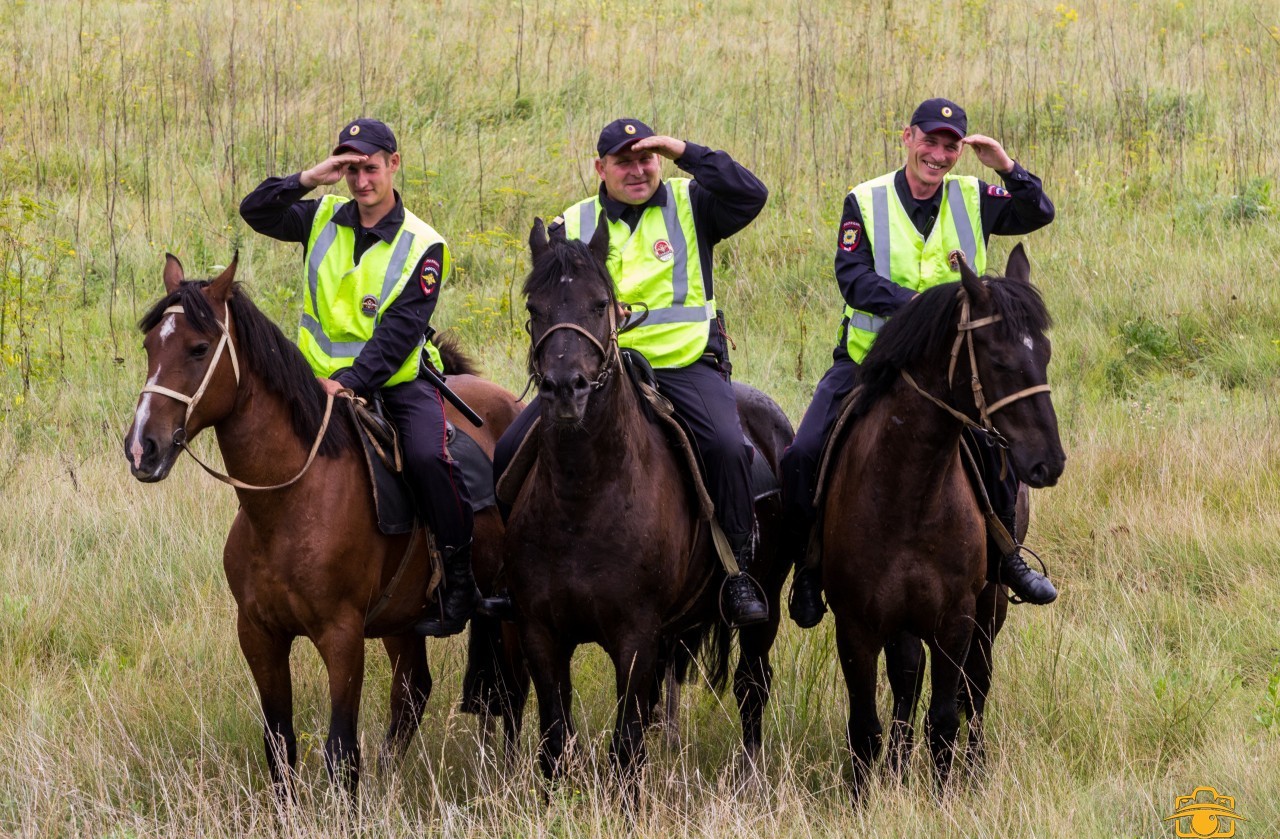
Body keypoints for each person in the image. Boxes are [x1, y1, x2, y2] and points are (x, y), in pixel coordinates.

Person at [781, 98, 1058, 629]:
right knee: (803, 454)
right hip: (871, 362)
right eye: (929, 141)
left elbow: (1038, 212)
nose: (939, 154)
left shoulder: (977, 196)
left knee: (993, 454)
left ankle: (1005, 558)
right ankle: (810, 566)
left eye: (950, 146)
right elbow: (852, 276)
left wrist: (1005, 165)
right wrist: (912, 306)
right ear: (907, 138)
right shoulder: (865, 200)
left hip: (954, 375)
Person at [491, 118, 771, 628]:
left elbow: (751, 194)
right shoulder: (571, 225)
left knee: (728, 447)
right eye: (624, 161)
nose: (638, 170)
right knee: (510, 448)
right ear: (601, 168)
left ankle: (737, 574)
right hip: (598, 371)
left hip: (684, 364)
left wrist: (684, 149)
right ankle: (515, 577)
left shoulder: (694, 204)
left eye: (647, 158)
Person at [239, 117, 483, 638]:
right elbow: (254, 210)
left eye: (369, 168)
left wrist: (351, 381)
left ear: (393, 165)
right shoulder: (321, 215)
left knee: (427, 457)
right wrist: (308, 178)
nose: (361, 181)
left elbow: (399, 334)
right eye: (351, 170)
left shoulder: (424, 245)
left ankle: (459, 581)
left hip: (393, 384)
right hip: (310, 385)